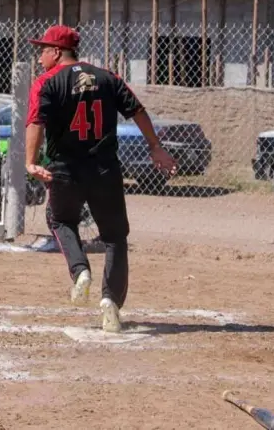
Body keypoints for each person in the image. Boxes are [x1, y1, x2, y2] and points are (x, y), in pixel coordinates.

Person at [24, 25, 178, 333]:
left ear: (56, 52)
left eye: (42, 50)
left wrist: (31, 161)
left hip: (64, 168)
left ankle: (80, 271)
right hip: (104, 169)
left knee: (60, 221)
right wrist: (155, 147)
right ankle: (110, 302)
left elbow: (36, 122)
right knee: (114, 237)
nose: (39, 56)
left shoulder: (46, 82)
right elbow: (137, 111)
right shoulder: (108, 77)